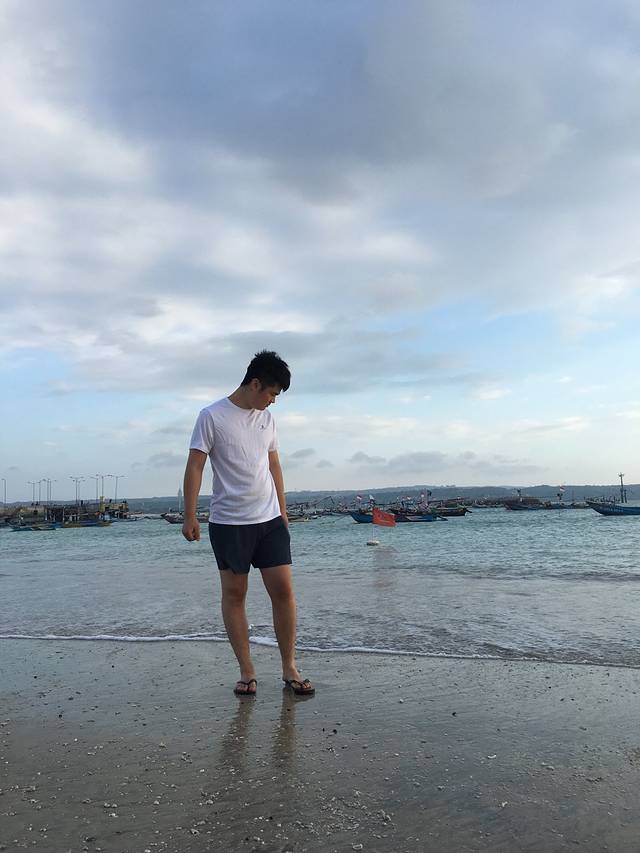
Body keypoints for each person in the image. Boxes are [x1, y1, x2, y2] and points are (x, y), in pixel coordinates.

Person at [182, 350, 314, 698]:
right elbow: (195, 465)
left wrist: (283, 510)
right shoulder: (212, 416)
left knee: (283, 592)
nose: (273, 401)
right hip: (229, 523)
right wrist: (190, 515)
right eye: (271, 393)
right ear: (255, 384)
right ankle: (247, 671)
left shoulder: (267, 419)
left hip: (269, 520)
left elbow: (274, 465)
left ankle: (289, 667)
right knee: (234, 595)